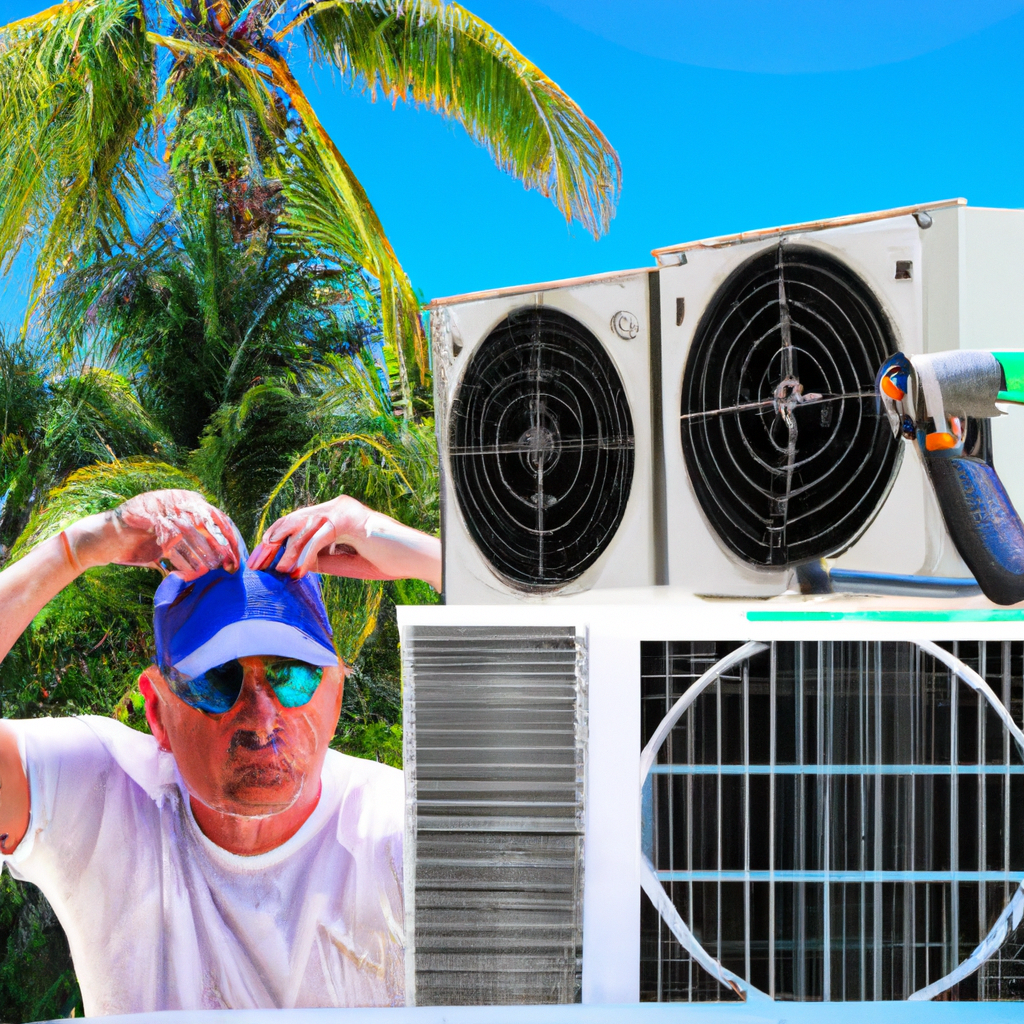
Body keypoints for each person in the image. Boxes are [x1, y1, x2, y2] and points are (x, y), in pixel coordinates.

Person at [0, 489, 442, 1016]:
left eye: (292, 675)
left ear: (336, 691)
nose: (262, 718)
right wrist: (79, 548)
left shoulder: (399, 830)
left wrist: (410, 550)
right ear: (157, 713)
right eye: (216, 680)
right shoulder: (98, 796)